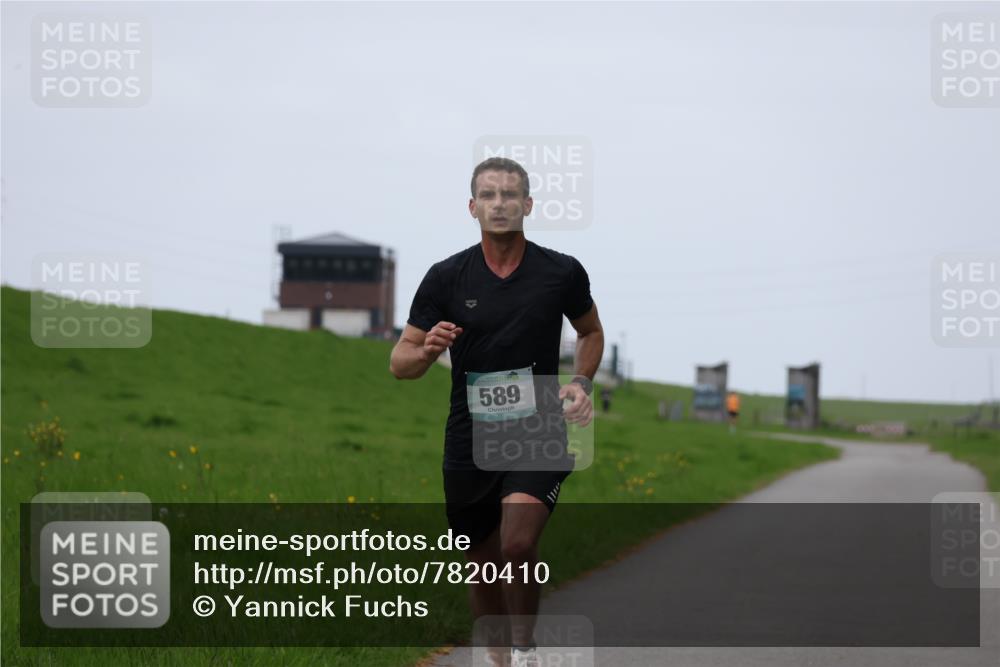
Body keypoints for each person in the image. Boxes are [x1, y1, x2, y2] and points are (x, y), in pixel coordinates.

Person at [390, 157, 604, 667]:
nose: (500, 203)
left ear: (528, 205)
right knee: (482, 569)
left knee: (517, 545)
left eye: (510, 194)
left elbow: (590, 332)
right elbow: (400, 361)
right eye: (489, 195)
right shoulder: (445, 278)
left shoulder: (561, 272)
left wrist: (579, 381)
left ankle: (525, 652)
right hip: (469, 437)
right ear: (472, 207)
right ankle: (496, 660)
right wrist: (425, 351)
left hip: (537, 429)